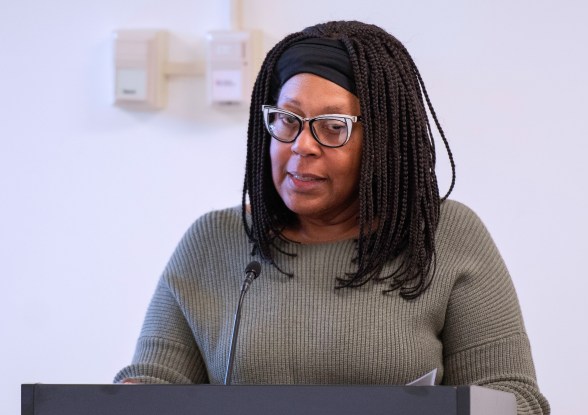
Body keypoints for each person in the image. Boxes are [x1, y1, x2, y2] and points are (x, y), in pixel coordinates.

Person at [114, 20, 550, 415]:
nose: (302, 145)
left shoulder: (445, 236)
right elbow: (154, 385)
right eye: (287, 120)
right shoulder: (216, 241)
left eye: (332, 126)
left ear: (381, 142)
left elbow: (514, 398)